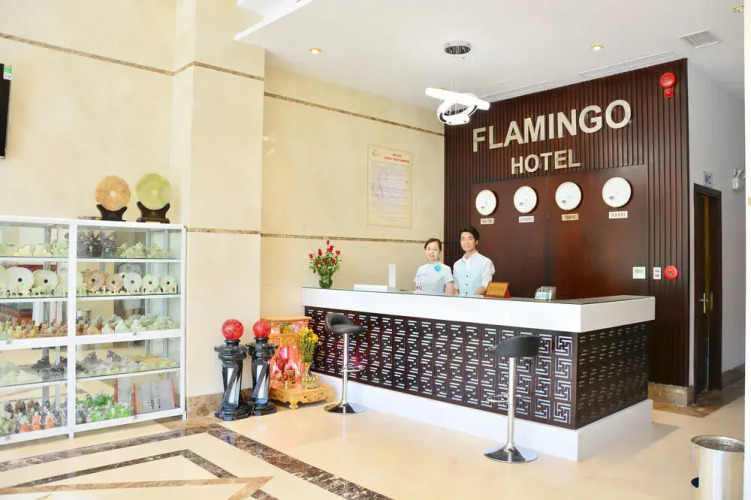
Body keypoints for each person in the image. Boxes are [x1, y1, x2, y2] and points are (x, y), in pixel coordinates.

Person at [453, 226, 495, 296]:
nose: (466, 242)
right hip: (460, 301)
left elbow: (485, 285)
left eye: (469, 239)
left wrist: (471, 299)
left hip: (478, 301)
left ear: (476, 241)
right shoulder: (457, 264)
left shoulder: (486, 262)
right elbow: (455, 286)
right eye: (463, 239)